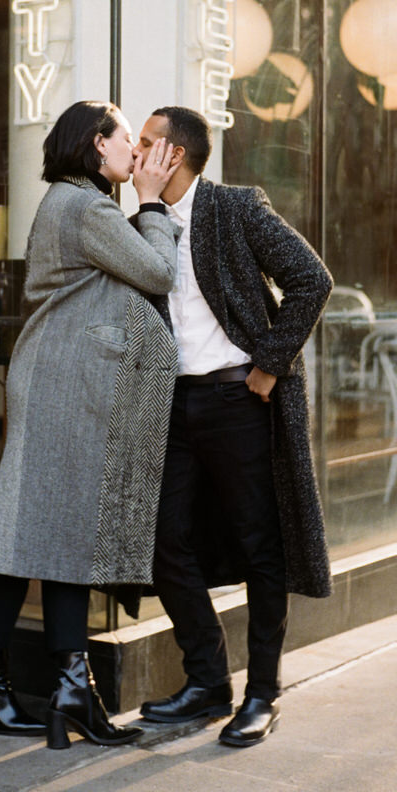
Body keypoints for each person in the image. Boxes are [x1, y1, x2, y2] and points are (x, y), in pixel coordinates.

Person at [0, 100, 180, 750]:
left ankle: (60, 689)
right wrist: (151, 204)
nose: (135, 154)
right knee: (30, 538)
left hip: (63, 380)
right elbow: (156, 272)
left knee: (53, 534)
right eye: (125, 139)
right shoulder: (87, 207)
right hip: (66, 385)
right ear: (96, 144)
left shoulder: (72, 200)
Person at [133, 106, 333, 748]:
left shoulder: (236, 206)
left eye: (145, 142)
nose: (136, 152)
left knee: (259, 545)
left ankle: (263, 693)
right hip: (171, 404)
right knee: (164, 542)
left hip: (238, 400)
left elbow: (312, 279)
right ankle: (207, 683)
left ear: (177, 154)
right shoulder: (143, 220)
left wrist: (270, 365)